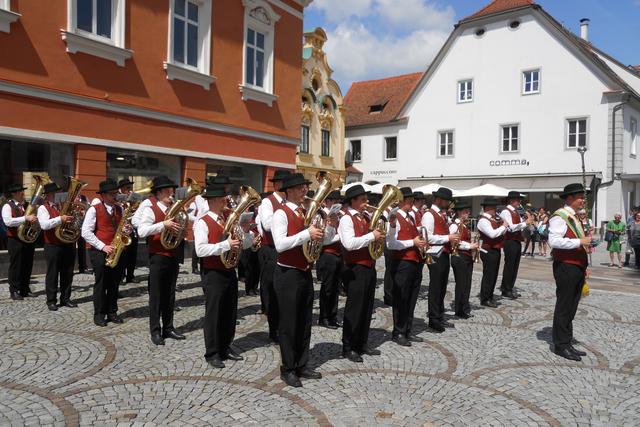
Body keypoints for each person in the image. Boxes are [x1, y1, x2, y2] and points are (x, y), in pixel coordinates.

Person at [271, 173, 324, 387]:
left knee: (304, 322)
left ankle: (302, 364)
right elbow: (280, 245)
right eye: (302, 188)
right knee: (289, 324)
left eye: (305, 187)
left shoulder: (305, 212)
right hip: (287, 274)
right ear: (290, 190)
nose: (305, 191)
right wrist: (307, 234)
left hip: (304, 271)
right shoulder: (280, 213)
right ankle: (288, 367)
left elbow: (316, 239)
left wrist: (323, 231)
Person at [194, 184, 246, 369]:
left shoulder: (227, 219)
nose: (227, 200)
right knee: (214, 314)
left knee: (229, 312)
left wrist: (246, 239)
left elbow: (238, 242)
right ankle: (212, 352)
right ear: (213, 200)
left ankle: (225, 346)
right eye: (223, 198)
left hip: (229, 270)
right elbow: (200, 249)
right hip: (213, 273)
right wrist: (225, 245)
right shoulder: (202, 221)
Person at [137, 175, 186, 345]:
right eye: (167, 191)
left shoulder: (174, 208)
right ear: (158, 193)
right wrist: (164, 225)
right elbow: (142, 231)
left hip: (173, 255)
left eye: (171, 191)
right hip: (158, 256)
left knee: (170, 294)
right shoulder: (151, 209)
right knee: (156, 296)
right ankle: (155, 330)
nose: (171, 194)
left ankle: (169, 327)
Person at [339, 184, 384, 361]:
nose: (367, 203)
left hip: (368, 266)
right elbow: (349, 244)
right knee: (354, 309)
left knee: (366, 307)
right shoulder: (346, 219)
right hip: (354, 268)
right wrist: (372, 237)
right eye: (363, 200)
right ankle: (348, 346)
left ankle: (361, 343)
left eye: (367, 200)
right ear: (353, 201)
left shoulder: (366, 217)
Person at [548, 183, 592, 361]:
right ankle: (560, 345)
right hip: (566, 266)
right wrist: (580, 241)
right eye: (580, 197)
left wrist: (584, 266)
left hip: (576, 266)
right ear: (570, 198)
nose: (583, 200)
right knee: (564, 306)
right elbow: (554, 241)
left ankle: (567, 341)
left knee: (572, 305)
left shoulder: (574, 217)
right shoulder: (560, 217)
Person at [81, 179, 126, 326]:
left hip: (116, 250)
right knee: (101, 284)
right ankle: (99, 314)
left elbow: (123, 227)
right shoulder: (94, 209)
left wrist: (127, 230)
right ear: (104, 195)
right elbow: (85, 232)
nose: (116, 196)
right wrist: (103, 246)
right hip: (100, 252)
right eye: (113, 194)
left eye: (116, 193)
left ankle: (112, 311)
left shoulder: (120, 209)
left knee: (114, 283)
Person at [386, 187, 426, 346]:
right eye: (409, 200)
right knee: (401, 299)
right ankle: (399, 332)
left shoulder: (411, 216)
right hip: (402, 262)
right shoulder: (395, 218)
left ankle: (407, 329)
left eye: (412, 200)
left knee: (411, 298)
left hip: (414, 261)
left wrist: (421, 243)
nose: (412, 203)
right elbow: (391, 244)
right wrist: (413, 242)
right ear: (402, 201)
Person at [256, 169, 290, 344]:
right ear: (277, 185)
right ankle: (273, 329)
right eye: (285, 183)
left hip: (286, 249)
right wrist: (285, 214)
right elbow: (268, 225)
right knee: (272, 289)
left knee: (284, 289)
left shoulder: (288, 202)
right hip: (271, 249)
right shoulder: (267, 203)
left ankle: (284, 325)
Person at [421, 187, 459, 333]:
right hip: (435, 254)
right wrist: (447, 238)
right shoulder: (429, 215)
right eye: (447, 201)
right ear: (439, 200)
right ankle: (433, 319)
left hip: (443, 253)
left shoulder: (441, 214)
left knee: (442, 286)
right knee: (436, 287)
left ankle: (439, 315)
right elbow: (427, 236)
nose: (448, 204)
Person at [38, 182, 76, 311]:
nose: (58, 195)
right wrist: (61, 219)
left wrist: (74, 218)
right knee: (52, 273)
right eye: (55, 193)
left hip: (67, 244)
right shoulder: (43, 208)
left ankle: (65, 298)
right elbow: (44, 225)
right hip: (52, 245)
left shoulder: (62, 207)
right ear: (49, 195)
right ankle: (51, 300)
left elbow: (71, 222)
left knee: (68, 273)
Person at [2, 183, 37, 300]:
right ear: (14, 194)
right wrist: (25, 218)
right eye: (20, 192)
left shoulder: (26, 205)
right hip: (14, 240)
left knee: (27, 264)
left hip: (27, 239)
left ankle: (25, 288)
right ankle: (14, 290)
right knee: (16, 265)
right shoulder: (7, 206)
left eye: (23, 191)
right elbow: (8, 222)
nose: (23, 194)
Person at [316, 190, 343, 329]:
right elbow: (324, 240)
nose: (336, 203)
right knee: (327, 288)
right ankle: (324, 317)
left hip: (338, 254)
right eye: (333, 201)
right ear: (327, 202)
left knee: (335, 288)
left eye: (338, 201)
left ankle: (332, 316)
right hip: (327, 255)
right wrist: (333, 227)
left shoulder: (338, 215)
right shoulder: (320, 215)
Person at [500, 191, 532, 299]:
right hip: (509, 241)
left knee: (515, 266)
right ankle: (505, 289)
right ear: (512, 200)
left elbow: (518, 226)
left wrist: (525, 221)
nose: (519, 202)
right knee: (509, 266)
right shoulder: (506, 211)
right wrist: (525, 223)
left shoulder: (516, 211)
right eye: (518, 200)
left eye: (519, 200)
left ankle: (510, 287)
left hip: (516, 240)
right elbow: (511, 227)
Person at [449, 200, 479, 319]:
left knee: (467, 284)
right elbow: (454, 242)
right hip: (459, 257)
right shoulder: (454, 225)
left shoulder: (464, 225)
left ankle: (464, 307)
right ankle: (459, 309)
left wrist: (473, 245)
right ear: (459, 213)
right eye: (466, 212)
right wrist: (469, 246)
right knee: (461, 284)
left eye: (468, 212)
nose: (468, 214)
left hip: (466, 257)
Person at [477, 198, 508, 308]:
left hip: (495, 249)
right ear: (488, 208)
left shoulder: (493, 219)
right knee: (489, 275)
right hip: (488, 250)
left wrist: (503, 226)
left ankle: (489, 296)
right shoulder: (483, 220)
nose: (495, 210)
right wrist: (504, 226)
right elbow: (492, 234)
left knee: (493, 275)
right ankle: (485, 298)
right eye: (494, 208)